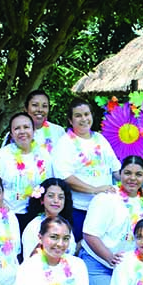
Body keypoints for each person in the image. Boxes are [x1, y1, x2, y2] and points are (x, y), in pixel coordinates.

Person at [80, 156, 143, 285]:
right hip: (99, 265)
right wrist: (110, 258)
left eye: (138, 174)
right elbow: (89, 234)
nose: (132, 178)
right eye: (127, 173)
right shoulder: (106, 198)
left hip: (127, 269)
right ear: (119, 174)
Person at [51, 98, 121, 242]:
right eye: (78, 115)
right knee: (78, 247)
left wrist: (134, 183)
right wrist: (95, 190)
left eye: (86, 114)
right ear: (70, 120)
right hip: (79, 209)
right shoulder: (65, 143)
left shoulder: (100, 139)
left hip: (105, 208)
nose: (84, 119)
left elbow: (116, 170)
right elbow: (66, 178)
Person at [0, 112, 53, 233]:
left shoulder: (44, 155)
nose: (22, 131)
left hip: (37, 216)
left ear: (34, 130)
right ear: (11, 133)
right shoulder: (2, 156)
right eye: (17, 128)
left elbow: (49, 185)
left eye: (26, 127)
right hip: (8, 216)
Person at [22, 178, 75, 259]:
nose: (56, 201)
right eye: (51, 196)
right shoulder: (33, 226)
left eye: (60, 197)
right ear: (42, 200)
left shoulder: (65, 224)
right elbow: (29, 260)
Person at [24, 89, 66, 154]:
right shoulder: (17, 133)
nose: (40, 110)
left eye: (44, 106)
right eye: (35, 105)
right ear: (26, 108)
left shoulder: (58, 131)